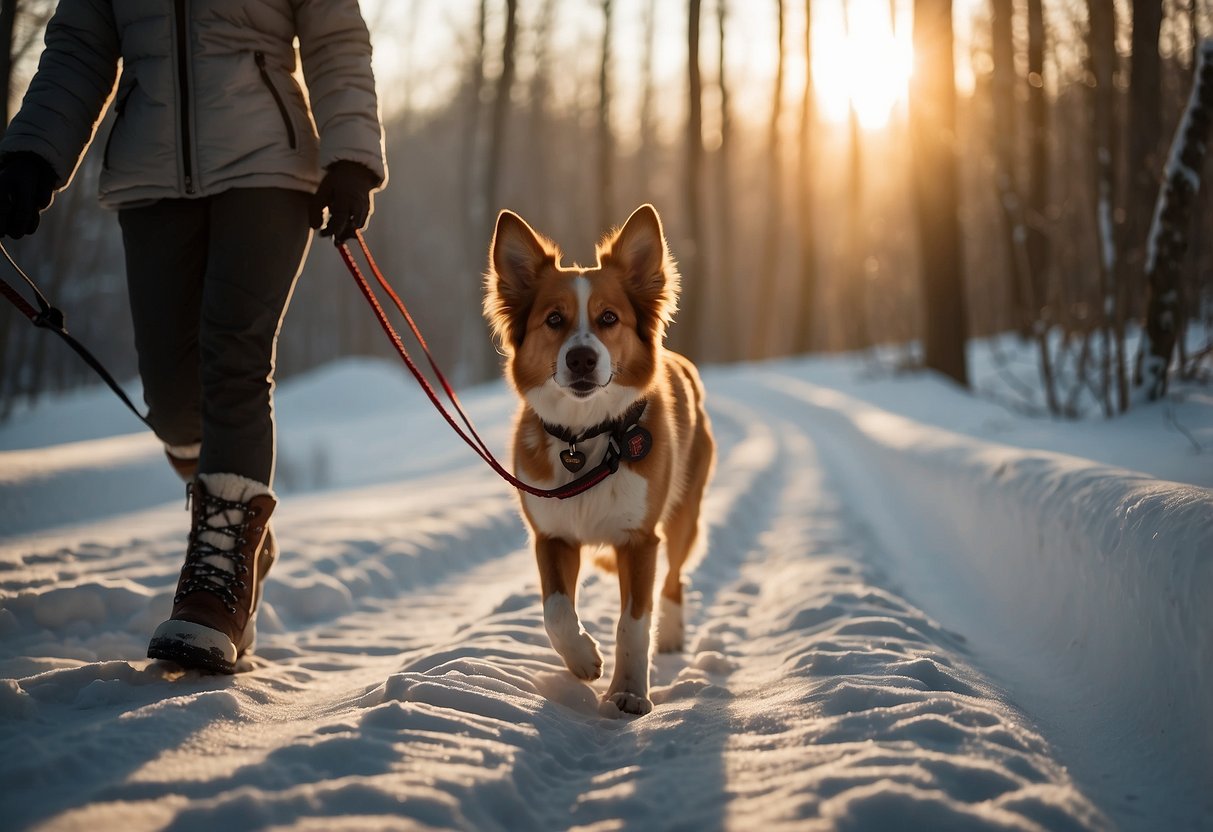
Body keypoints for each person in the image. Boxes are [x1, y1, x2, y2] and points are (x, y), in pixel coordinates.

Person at [0, 0, 388, 674]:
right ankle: (237, 525)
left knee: (234, 356)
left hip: (268, 165)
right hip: (149, 173)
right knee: (173, 396)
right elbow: (80, 47)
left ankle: (216, 585)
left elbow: (335, 34)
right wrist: (32, 155)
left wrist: (350, 154)